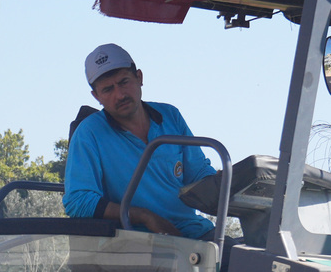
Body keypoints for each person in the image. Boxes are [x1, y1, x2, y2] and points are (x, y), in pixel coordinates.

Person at [61, 43, 220, 238]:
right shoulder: (88, 133)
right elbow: (78, 201)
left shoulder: (171, 116)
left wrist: (225, 184)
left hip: (193, 233)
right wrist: (144, 217)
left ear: (139, 77)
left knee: (243, 251)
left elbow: (198, 173)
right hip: (136, 242)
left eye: (124, 82)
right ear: (96, 96)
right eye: (108, 89)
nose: (120, 95)